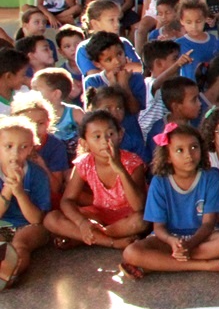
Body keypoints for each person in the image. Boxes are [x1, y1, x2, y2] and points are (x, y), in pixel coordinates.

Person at [120, 123, 219, 277]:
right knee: (131, 252)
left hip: (202, 237)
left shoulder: (211, 177)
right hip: (168, 239)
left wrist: (189, 245)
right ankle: (208, 265)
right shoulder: (159, 182)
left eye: (194, 147)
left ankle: (156, 265)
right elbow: (158, 228)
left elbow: (208, 224)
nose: (188, 155)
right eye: (179, 150)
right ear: (168, 157)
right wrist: (172, 241)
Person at [43, 109, 147, 250]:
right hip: (98, 215)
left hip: (126, 217)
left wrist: (120, 170)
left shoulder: (133, 163)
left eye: (110, 134)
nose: (105, 141)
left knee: (141, 221)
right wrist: (82, 223)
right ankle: (112, 241)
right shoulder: (84, 163)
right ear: (84, 143)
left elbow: (138, 206)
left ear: (120, 135)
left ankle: (90, 236)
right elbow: (67, 200)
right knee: (51, 219)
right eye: (97, 137)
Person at [0, 115, 51, 289]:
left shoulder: (37, 175)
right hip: (3, 224)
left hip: (29, 226)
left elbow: (37, 219)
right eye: (8, 147)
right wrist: (8, 188)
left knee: (20, 244)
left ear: (31, 149)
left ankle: (12, 272)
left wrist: (20, 193)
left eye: (23, 147)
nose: (15, 153)